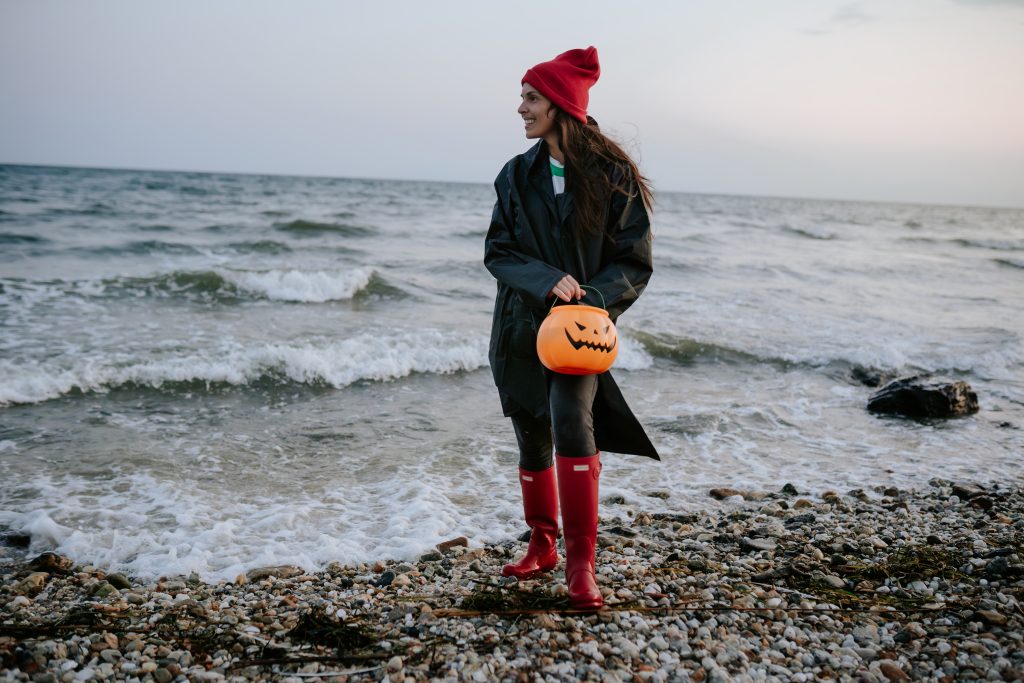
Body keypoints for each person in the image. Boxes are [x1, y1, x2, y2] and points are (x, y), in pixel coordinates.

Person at [484, 46, 659, 610]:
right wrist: (545, 279)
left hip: (580, 332)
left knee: (571, 423)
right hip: (518, 325)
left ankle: (582, 562)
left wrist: (593, 299)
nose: (520, 108)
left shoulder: (612, 177)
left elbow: (634, 261)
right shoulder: (514, 175)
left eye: (531, 97)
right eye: (523, 97)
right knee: (531, 431)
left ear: (559, 104)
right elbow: (499, 251)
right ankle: (542, 542)